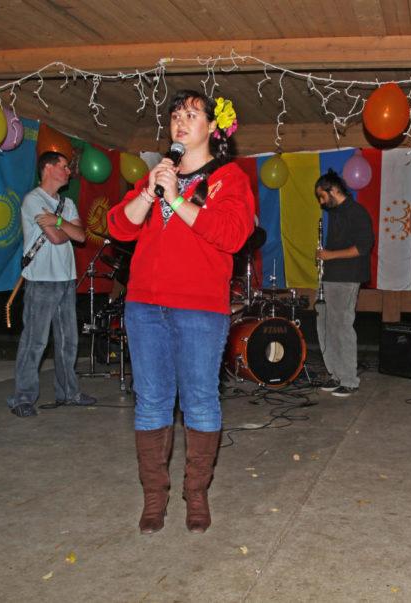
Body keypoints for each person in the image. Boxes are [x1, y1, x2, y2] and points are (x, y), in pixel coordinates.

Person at [107, 90, 254, 534]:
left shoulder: (230, 179)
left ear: (212, 128)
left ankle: (196, 496)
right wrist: (152, 194)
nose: (180, 121)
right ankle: (154, 498)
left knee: (199, 403)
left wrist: (177, 199)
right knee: (151, 402)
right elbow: (118, 226)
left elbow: (231, 234)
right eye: (174, 114)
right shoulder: (159, 175)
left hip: (200, 309)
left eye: (191, 114)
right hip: (144, 306)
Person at [8, 151, 95, 418]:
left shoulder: (66, 203)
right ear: (47, 168)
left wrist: (57, 220)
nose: (69, 171)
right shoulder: (33, 200)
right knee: (35, 341)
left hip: (66, 279)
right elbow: (57, 239)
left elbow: (80, 236)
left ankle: (68, 392)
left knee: (69, 340)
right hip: (42, 280)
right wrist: (63, 227)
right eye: (64, 166)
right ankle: (22, 398)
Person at [314, 169, 374, 398]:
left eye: (322, 196)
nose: (321, 202)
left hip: (347, 278)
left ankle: (349, 379)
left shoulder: (357, 213)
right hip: (331, 277)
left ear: (333, 190)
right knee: (327, 328)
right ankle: (335, 374)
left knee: (342, 327)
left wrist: (330, 255)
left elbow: (363, 247)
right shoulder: (336, 214)